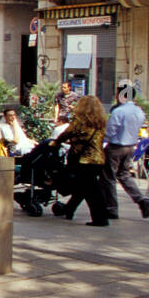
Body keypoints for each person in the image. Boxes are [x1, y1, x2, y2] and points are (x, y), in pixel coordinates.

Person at [51, 95, 110, 226]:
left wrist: (56, 142)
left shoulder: (80, 120)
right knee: (86, 187)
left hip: (84, 160)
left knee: (91, 191)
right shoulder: (101, 121)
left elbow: (68, 133)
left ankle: (100, 219)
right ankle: (69, 210)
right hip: (99, 159)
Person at [101, 85, 149, 219]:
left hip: (116, 147)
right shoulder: (139, 111)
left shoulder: (119, 111)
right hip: (130, 146)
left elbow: (110, 131)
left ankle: (111, 208)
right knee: (124, 174)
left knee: (109, 178)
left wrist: (102, 140)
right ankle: (141, 199)